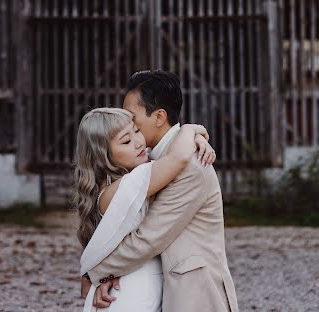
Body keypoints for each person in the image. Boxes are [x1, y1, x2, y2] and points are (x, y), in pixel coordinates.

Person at [82, 70, 238, 312]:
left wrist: (96, 272)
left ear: (159, 117)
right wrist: (192, 130)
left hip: (195, 293)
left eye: (133, 119)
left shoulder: (190, 164)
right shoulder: (153, 161)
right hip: (163, 286)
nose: (129, 125)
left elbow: (150, 236)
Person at [74, 106, 215, 312]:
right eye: (126, 141)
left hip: (132, 283)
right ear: (102, 155)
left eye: (136, 131)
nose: (139, 142)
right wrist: (190, 130)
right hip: (130, 293)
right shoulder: (124, 187)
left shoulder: (131, 179)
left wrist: (197, 137)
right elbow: (178, 158)